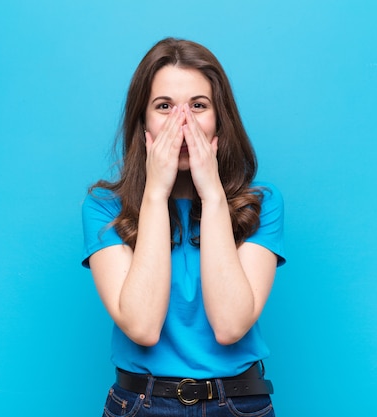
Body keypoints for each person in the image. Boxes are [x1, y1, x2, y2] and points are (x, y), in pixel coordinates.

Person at [81, 37, 286, 417]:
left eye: (198, 105)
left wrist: (212, 195)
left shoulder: (261, 205)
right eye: (164, 107)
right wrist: (156, 195)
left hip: (239, 403)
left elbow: (230, 326)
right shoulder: (103, 209)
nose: (184, 121)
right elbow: (142, 327)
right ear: (142, 121)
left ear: (219, 119)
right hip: (139, 404)